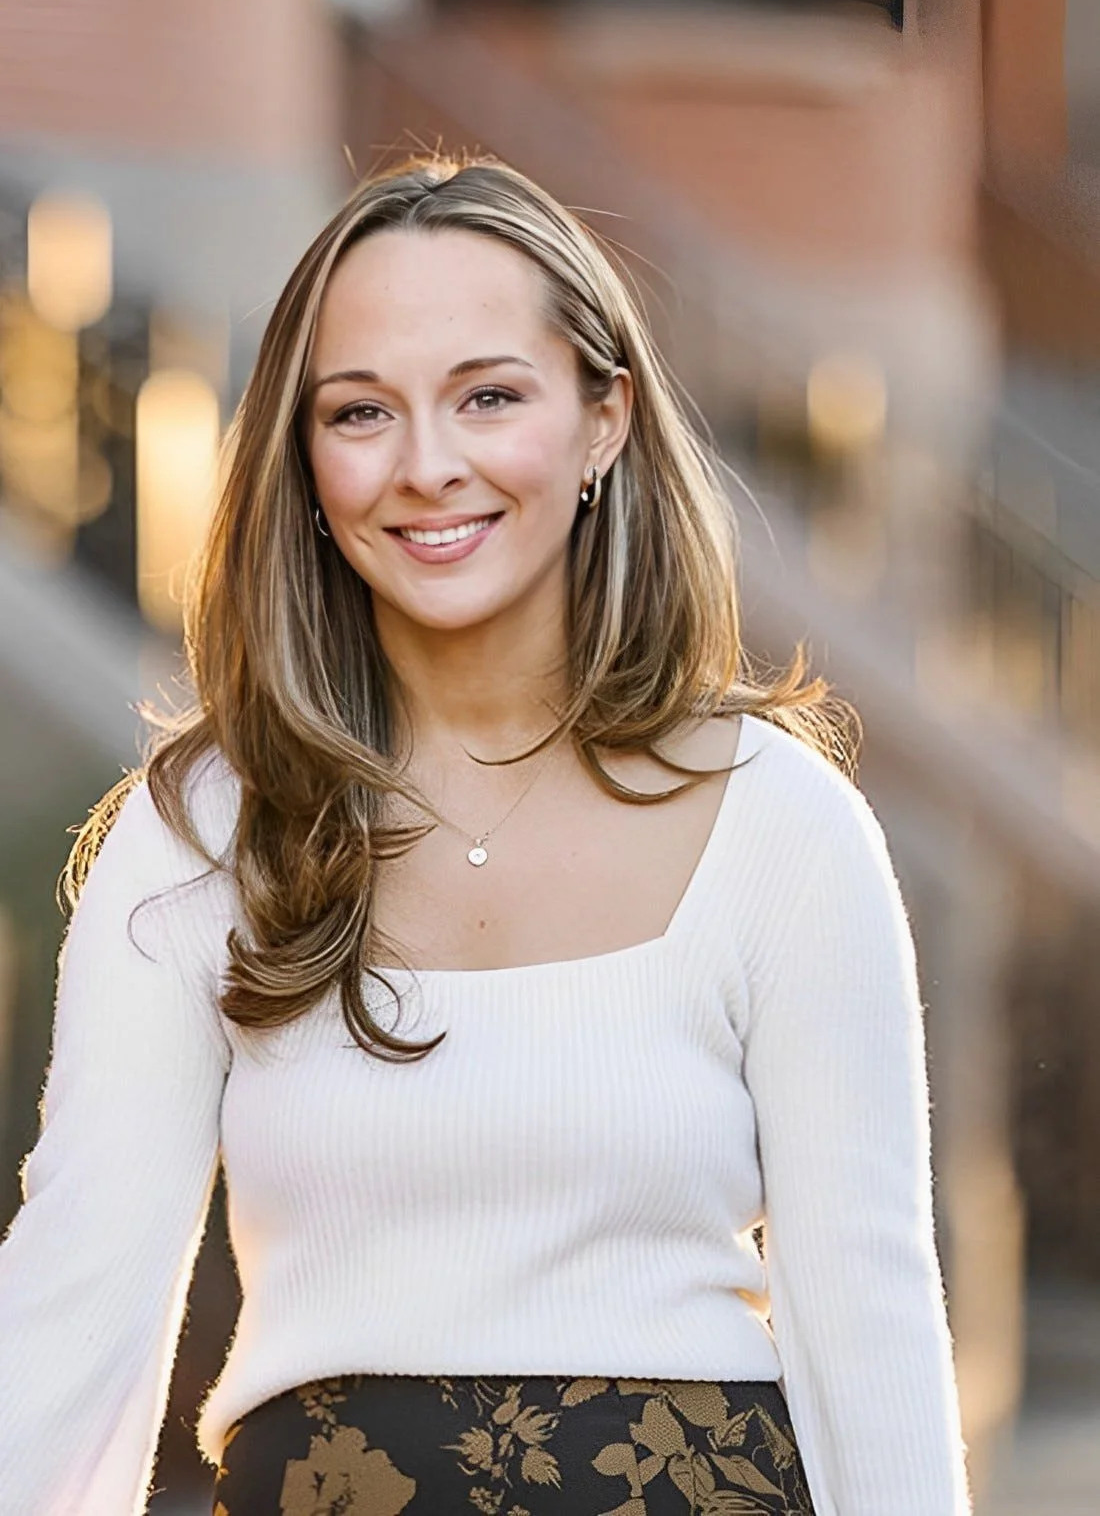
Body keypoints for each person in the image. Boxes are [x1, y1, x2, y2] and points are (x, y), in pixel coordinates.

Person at [0, 153, 973, 1516]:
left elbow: (871, 1323)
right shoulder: (202, 836)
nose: (426, 467)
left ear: (602, 419)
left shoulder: (786, 829)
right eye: (360, 411)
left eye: (489, 396)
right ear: (304, 456)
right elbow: (74, 1306)